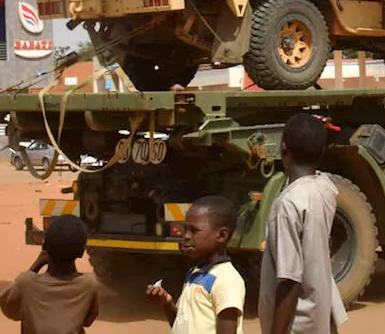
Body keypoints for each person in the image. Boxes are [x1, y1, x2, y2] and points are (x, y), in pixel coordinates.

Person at [258, 113, 348, 334]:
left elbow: (289, 280)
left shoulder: (287, 205)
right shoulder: (324, 187)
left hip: (298, 324)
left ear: (283, 149)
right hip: (321, 315)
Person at [145, 195, 245, 334]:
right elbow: (181, 327)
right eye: (185, 229)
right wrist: (167, 303)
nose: (186, 236)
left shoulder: (227, 279)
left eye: (194, 231)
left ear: (221, 235)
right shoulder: (195, 273)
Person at [0, 214, 101, 334]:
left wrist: (36, 265)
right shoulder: (89, 284)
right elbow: (88, 321)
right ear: (81, 252)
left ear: (44, 247)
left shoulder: (26, 283)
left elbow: (8, 308)